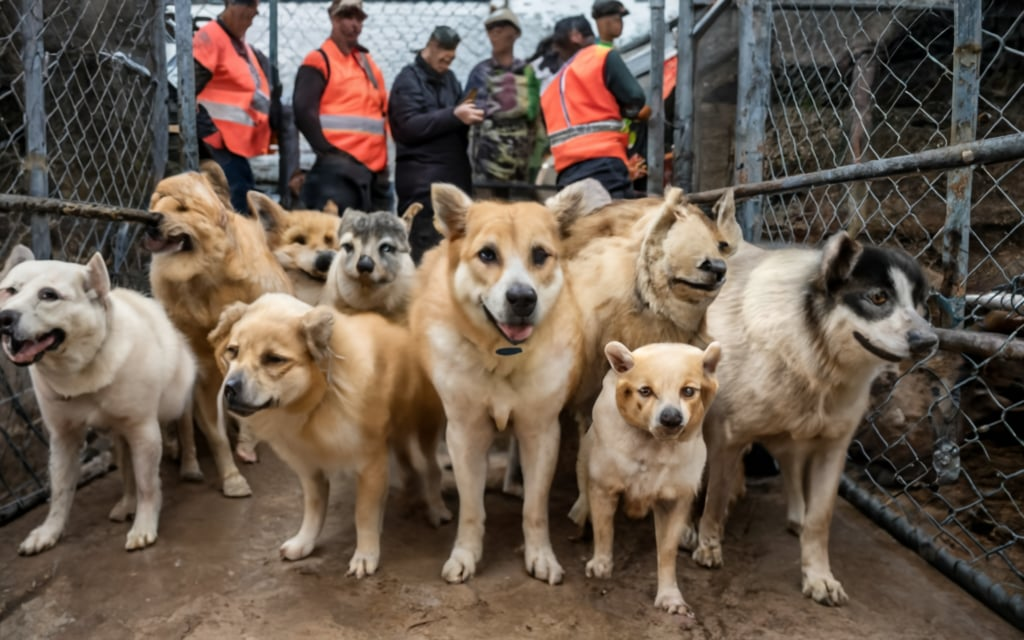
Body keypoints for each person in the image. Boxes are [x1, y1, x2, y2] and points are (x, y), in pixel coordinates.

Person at [389, 26, 483, 262]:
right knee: (425, 257)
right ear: (431, 47)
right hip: (423, 189)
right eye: (444, 57)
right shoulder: (407, 80)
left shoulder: (450, 79)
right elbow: (406, 127)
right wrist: (453, 115)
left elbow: (455, 119)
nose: (447, 63)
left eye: (451, 59)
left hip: (454, 184)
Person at [293, 0, 390, 213]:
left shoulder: (368, 64)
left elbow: (383, 114)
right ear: (333, 18)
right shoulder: (319, 60)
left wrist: (384, 166)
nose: (354, 24)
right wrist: (329, 153)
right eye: (348, 17)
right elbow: (303, 110)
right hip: (337, 173)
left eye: (359, 18)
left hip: (372, 172)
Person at [540, 15, 648, 199]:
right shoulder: (601, 55)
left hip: (567, 173)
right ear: (575, 36)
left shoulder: (550, 87)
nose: (558, 53)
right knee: (612, 222)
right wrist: (623, 112)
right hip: (604, 164)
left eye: (558, 47)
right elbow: (635, 97)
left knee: (580, 225)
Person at [193, 0, 282, 214]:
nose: (252, 15)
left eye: (254, 9)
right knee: (237, 206)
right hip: (216, 146)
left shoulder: (240, 45)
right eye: (248, 7)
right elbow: (186, 93)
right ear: (230, 4)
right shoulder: (211, 38)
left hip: (232, 146)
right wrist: (209, 133)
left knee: (244, 199)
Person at [463, 7, 541, 199]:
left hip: (522, 164)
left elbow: (536, 115)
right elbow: (469, 109)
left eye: (500, 29)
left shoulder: (526, 71)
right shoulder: (480, 72)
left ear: (514, 33)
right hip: (488, 163)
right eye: (491, 31)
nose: (494, 35)